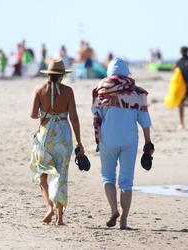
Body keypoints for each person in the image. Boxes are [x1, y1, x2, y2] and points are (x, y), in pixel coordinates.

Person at [92, 57, 154, 229]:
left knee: (107, 177)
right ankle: (124, 221)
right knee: (126, 182)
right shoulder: (137, 93)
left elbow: (95, 115)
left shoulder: (101, 91)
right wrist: (148, 142)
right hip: (129, 140)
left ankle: (113, 209)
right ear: (127, 73)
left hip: (107, 139)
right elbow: (145, 120)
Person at [30, 59, 84, 225]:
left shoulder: (39, 90)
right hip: (63, 136)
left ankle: (48, 207)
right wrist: (79, 142)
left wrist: (45, 112)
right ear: (62, 75)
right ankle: (60, 218)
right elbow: (73, 117)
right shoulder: (68, 91)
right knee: (62, 175)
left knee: (43, 174)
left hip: (45, 137)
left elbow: (33, 115)